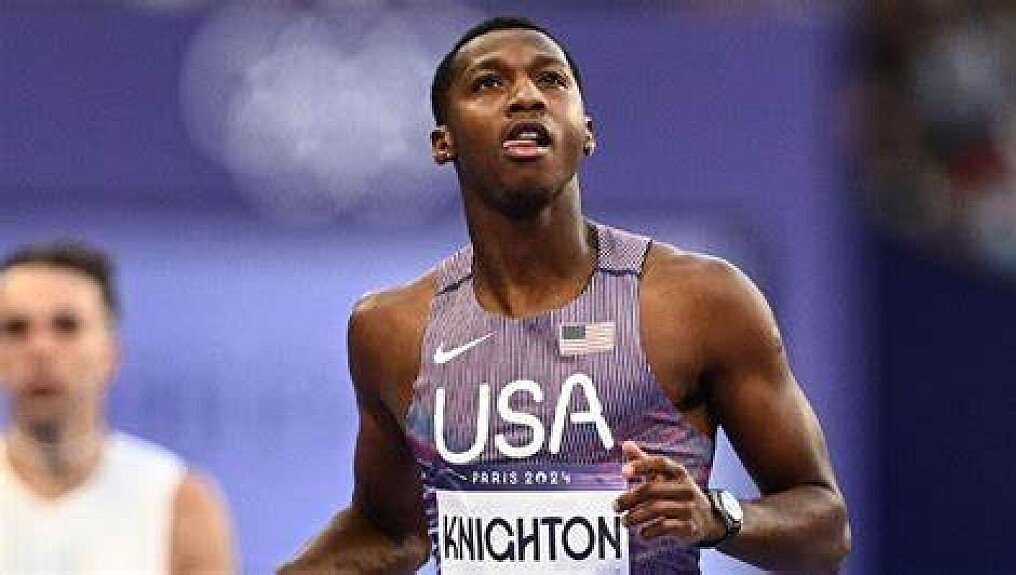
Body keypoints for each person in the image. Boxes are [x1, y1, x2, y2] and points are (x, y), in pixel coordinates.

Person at [280, 15, 850, 574]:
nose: (526, 96)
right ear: (443, 142)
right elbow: (392, 532)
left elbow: (825, 528)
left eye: (550, 80)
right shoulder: (393, 330)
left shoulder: (697, 302)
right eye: (489, 82)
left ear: (586, 132)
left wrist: (718, 516)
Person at [0, 241, 235, 574]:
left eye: (67, 326)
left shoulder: (178, 504)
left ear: (110, 352)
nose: (40, 349)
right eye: (16, 328)